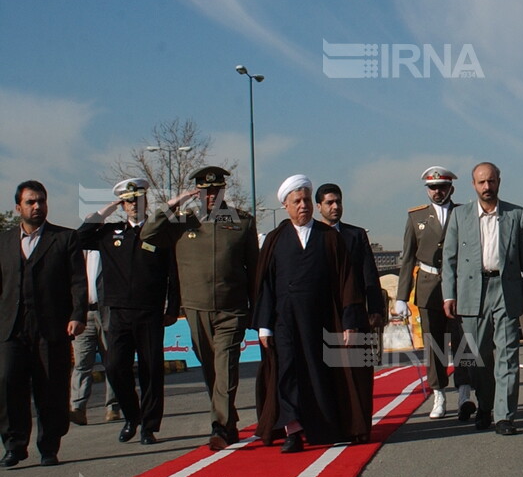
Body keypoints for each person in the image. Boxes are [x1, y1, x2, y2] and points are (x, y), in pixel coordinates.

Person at [143, 166, 258, 451]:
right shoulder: (182, 222)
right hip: (196, 309)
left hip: (232, 310)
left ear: (223, 191)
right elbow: (148, 234)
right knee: (211, 369)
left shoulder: (241, 222)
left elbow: (254, 270)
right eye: (205, 192)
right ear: (198, 192)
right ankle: (228, 421)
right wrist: (173, 203)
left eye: (216, 190)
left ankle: (219, 425)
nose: (211, 196)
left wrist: (256, 308)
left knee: (225, 365)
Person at [253, 175, 367, 452]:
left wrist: (350, 322)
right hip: (285, 321)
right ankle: (293, 430)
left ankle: (327, 426)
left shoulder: (330, 238)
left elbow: (347, 282)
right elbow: (265, 284)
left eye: (306, 200)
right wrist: (263, 326)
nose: (303, 206)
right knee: (287, 373)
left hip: (323, 320)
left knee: (323, 373)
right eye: (297, 201)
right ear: (286, 205)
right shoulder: (275, 240)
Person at [76, 178, 180, 445]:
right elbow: (80, 237)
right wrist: (107, 209)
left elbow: (173, 273)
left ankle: (149, 426)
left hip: (150, 311)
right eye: (128, 200)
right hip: (119, 313)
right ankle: (132, 417)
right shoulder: (111, 233)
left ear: (146, 201)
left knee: (151, 371)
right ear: (123, 204)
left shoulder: (159, 233)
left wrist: (173, 307)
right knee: (114, 367)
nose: (134, 204)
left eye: (138, 199)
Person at [442, 163, 523, 436]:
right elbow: (449, 260)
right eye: (482, 182)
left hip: (506, 289)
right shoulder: (459, 216)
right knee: (477, 355)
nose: (487, 187)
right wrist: (449, 294)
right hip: (472, 292)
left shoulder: (516, 214)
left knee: (507, 355)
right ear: (474, 185)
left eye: (492, 181)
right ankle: (485, 405)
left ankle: (504, 416)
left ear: (499, 182)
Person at [0, 181, 87, 468]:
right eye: (31, 202)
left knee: (51, 387)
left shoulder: (65, 239)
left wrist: (77, 315)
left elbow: (77, 281)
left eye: (41, 201)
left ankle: (49, 446)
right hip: (11, 328)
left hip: (52, 327)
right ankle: (14, 445)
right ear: (18, 207)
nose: (37, 207)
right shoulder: (3, 241)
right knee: (8, 382)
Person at [395, 166, 474, 420]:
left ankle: (464, 392)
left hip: (460, 285)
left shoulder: (464, 213)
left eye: (442, 187)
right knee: (434, 345)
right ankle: (439, 394)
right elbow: (407, 259)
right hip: (428, 287)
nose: (437, 192)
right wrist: (401, 297)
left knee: (463, 342)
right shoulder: (415, 217)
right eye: (432, 187)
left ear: (451, 187)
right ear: (427, 190)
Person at [314, 182, 382, 432]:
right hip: (324, 315)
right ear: (318, 206)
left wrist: (375, 308)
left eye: (338, 201)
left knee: (359, 372)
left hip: (355, 314)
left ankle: (359, 424)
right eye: (329, 202)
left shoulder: (356, 235)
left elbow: (369, 274)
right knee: (328, 373)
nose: (335, 207)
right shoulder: (311, 236)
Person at [69, 250, 120, 426]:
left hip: (106, 312)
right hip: (83, 314)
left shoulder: (107, 247)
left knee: (111, 362)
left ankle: (112, 407)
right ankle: (78, 408)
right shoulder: (75, 253)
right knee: (82, 363)